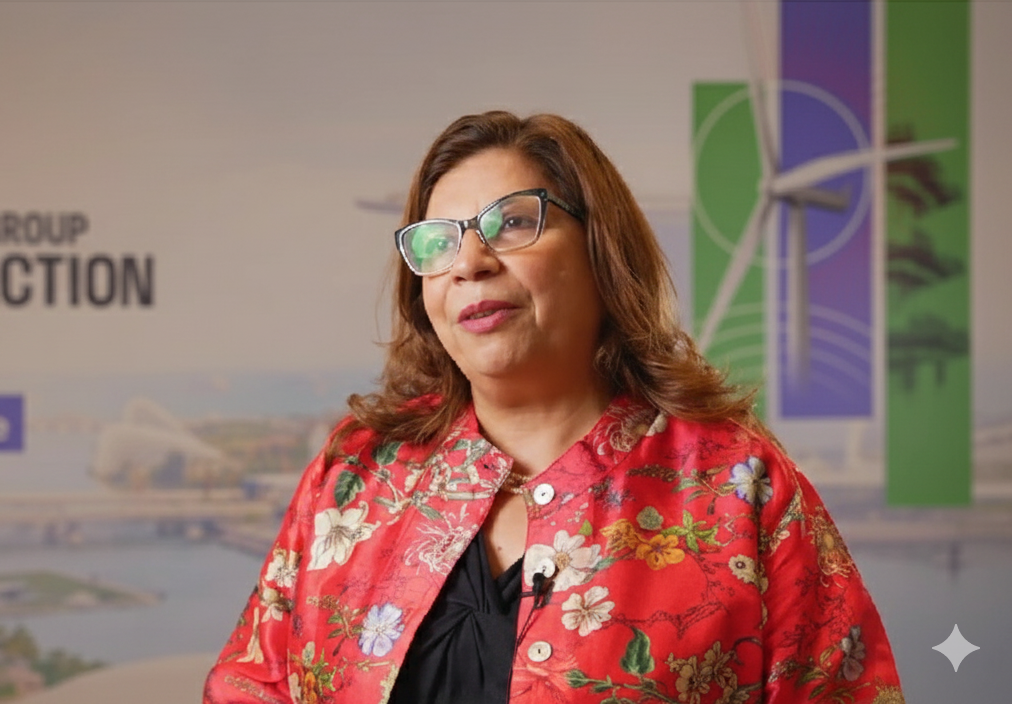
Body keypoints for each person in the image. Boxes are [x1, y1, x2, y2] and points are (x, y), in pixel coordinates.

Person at [203, 112, 901, 704]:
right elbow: (249, 687)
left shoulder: (737, 488)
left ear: (600, 250)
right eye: (438, 242)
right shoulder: (355, 475)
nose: (469, 262)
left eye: (511, 223)